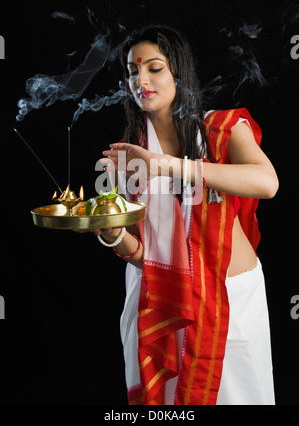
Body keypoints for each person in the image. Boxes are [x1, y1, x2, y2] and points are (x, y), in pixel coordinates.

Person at [91, 25, 279, 405]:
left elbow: (267, 182)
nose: (140, 80)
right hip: (169, 306)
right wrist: (112, 235)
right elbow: (147, 257)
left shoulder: (222, 129)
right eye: (131, 72)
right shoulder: (129, 160)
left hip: (232, 304)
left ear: (179, 73)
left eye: (154, 68)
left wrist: (167, 165)